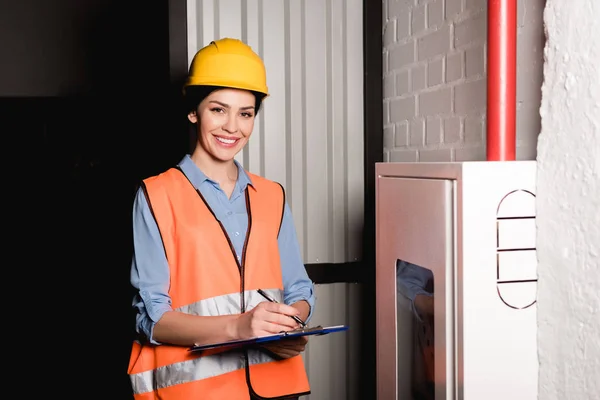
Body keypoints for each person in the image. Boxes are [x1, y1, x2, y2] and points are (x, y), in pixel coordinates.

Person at [127, 38, 316, 400]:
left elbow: (299, 290)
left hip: (277, 388)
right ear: (193, 111)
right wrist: (241, 327)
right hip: (196, 393)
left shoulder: (272, 195)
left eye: (245, 113)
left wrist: (287, 325)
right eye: (218, 109)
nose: (233, 126)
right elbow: (152, 318)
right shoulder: (155, 195)